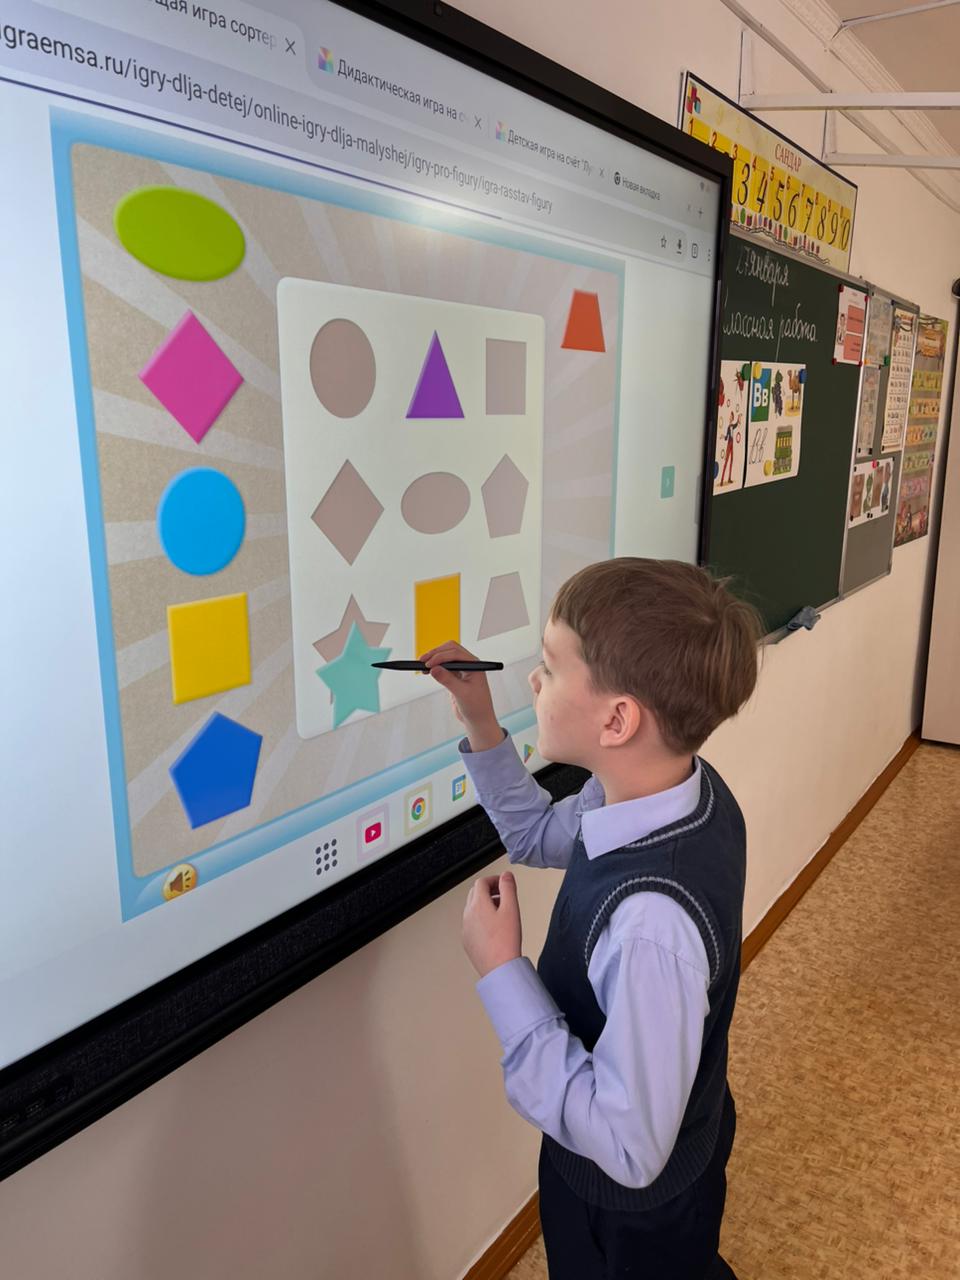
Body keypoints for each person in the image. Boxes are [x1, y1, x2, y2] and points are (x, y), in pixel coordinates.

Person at [420, 558, 761, 1279]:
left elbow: (631, 1147)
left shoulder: (648, 926)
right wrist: (480, 720)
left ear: (617, 719)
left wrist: (502, 972)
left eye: (550, 667)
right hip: (681, 1132)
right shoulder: (671, 789)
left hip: (629, 1208)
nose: (533, 681)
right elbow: (537, 834)